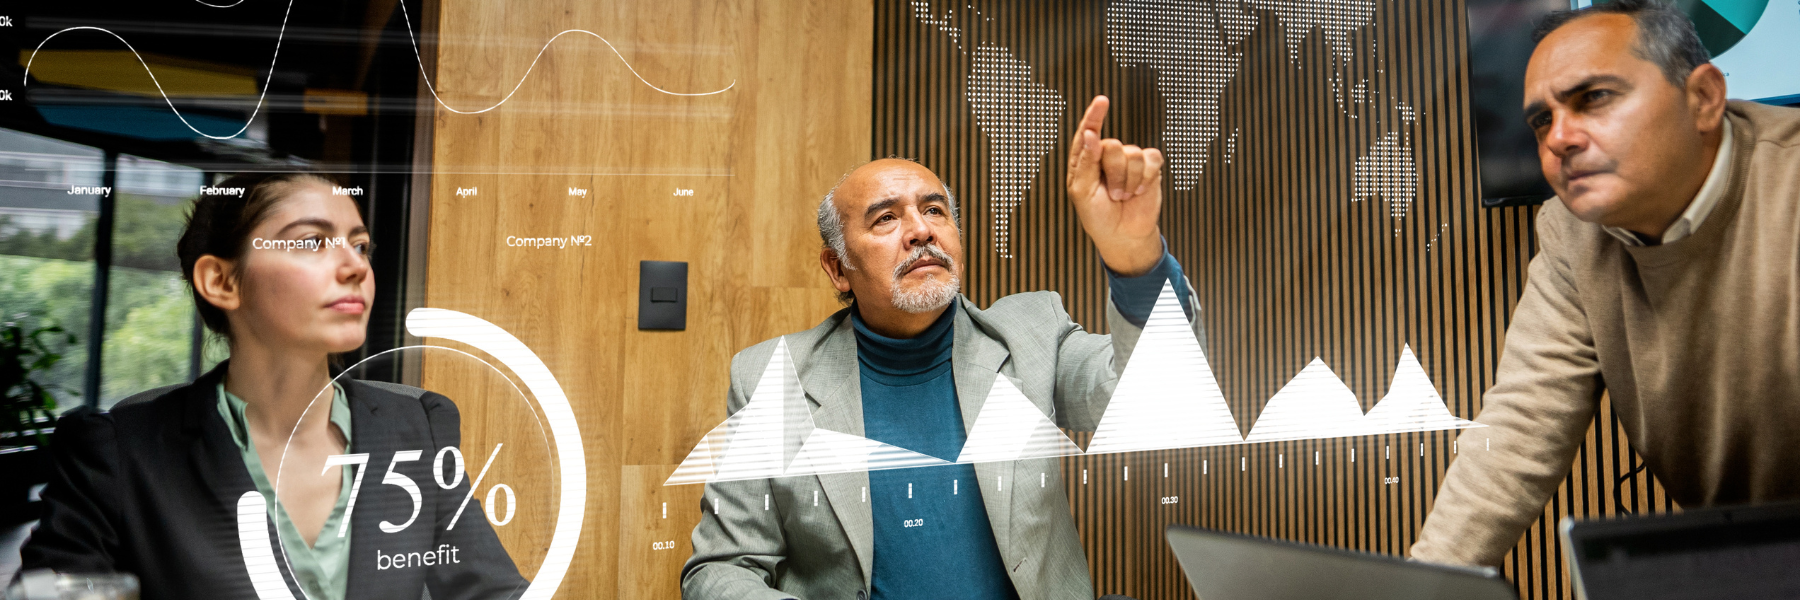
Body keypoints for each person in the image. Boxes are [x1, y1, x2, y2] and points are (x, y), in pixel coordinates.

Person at [680, 96, 1203, 600]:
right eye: (885, 218)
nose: (921, 231)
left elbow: (1155, 395)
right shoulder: (773, 378)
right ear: (838, 269)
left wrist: (1134, 256)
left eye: (935, 210)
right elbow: (721, 568)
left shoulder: (1032, 335)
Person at [1411, 0, 1800, 567]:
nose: (1558, 138)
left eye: (1593, 98)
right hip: (1749, 560)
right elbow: (1522, 425)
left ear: (1704, 99)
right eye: (1541, 119)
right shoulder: (1571, 233)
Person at [19, 172, 526, 599]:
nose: (356, 267)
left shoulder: (417, 430)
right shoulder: (119, 453)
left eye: (361, 245)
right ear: (221, 281)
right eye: (311, 242)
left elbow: (494, 591)